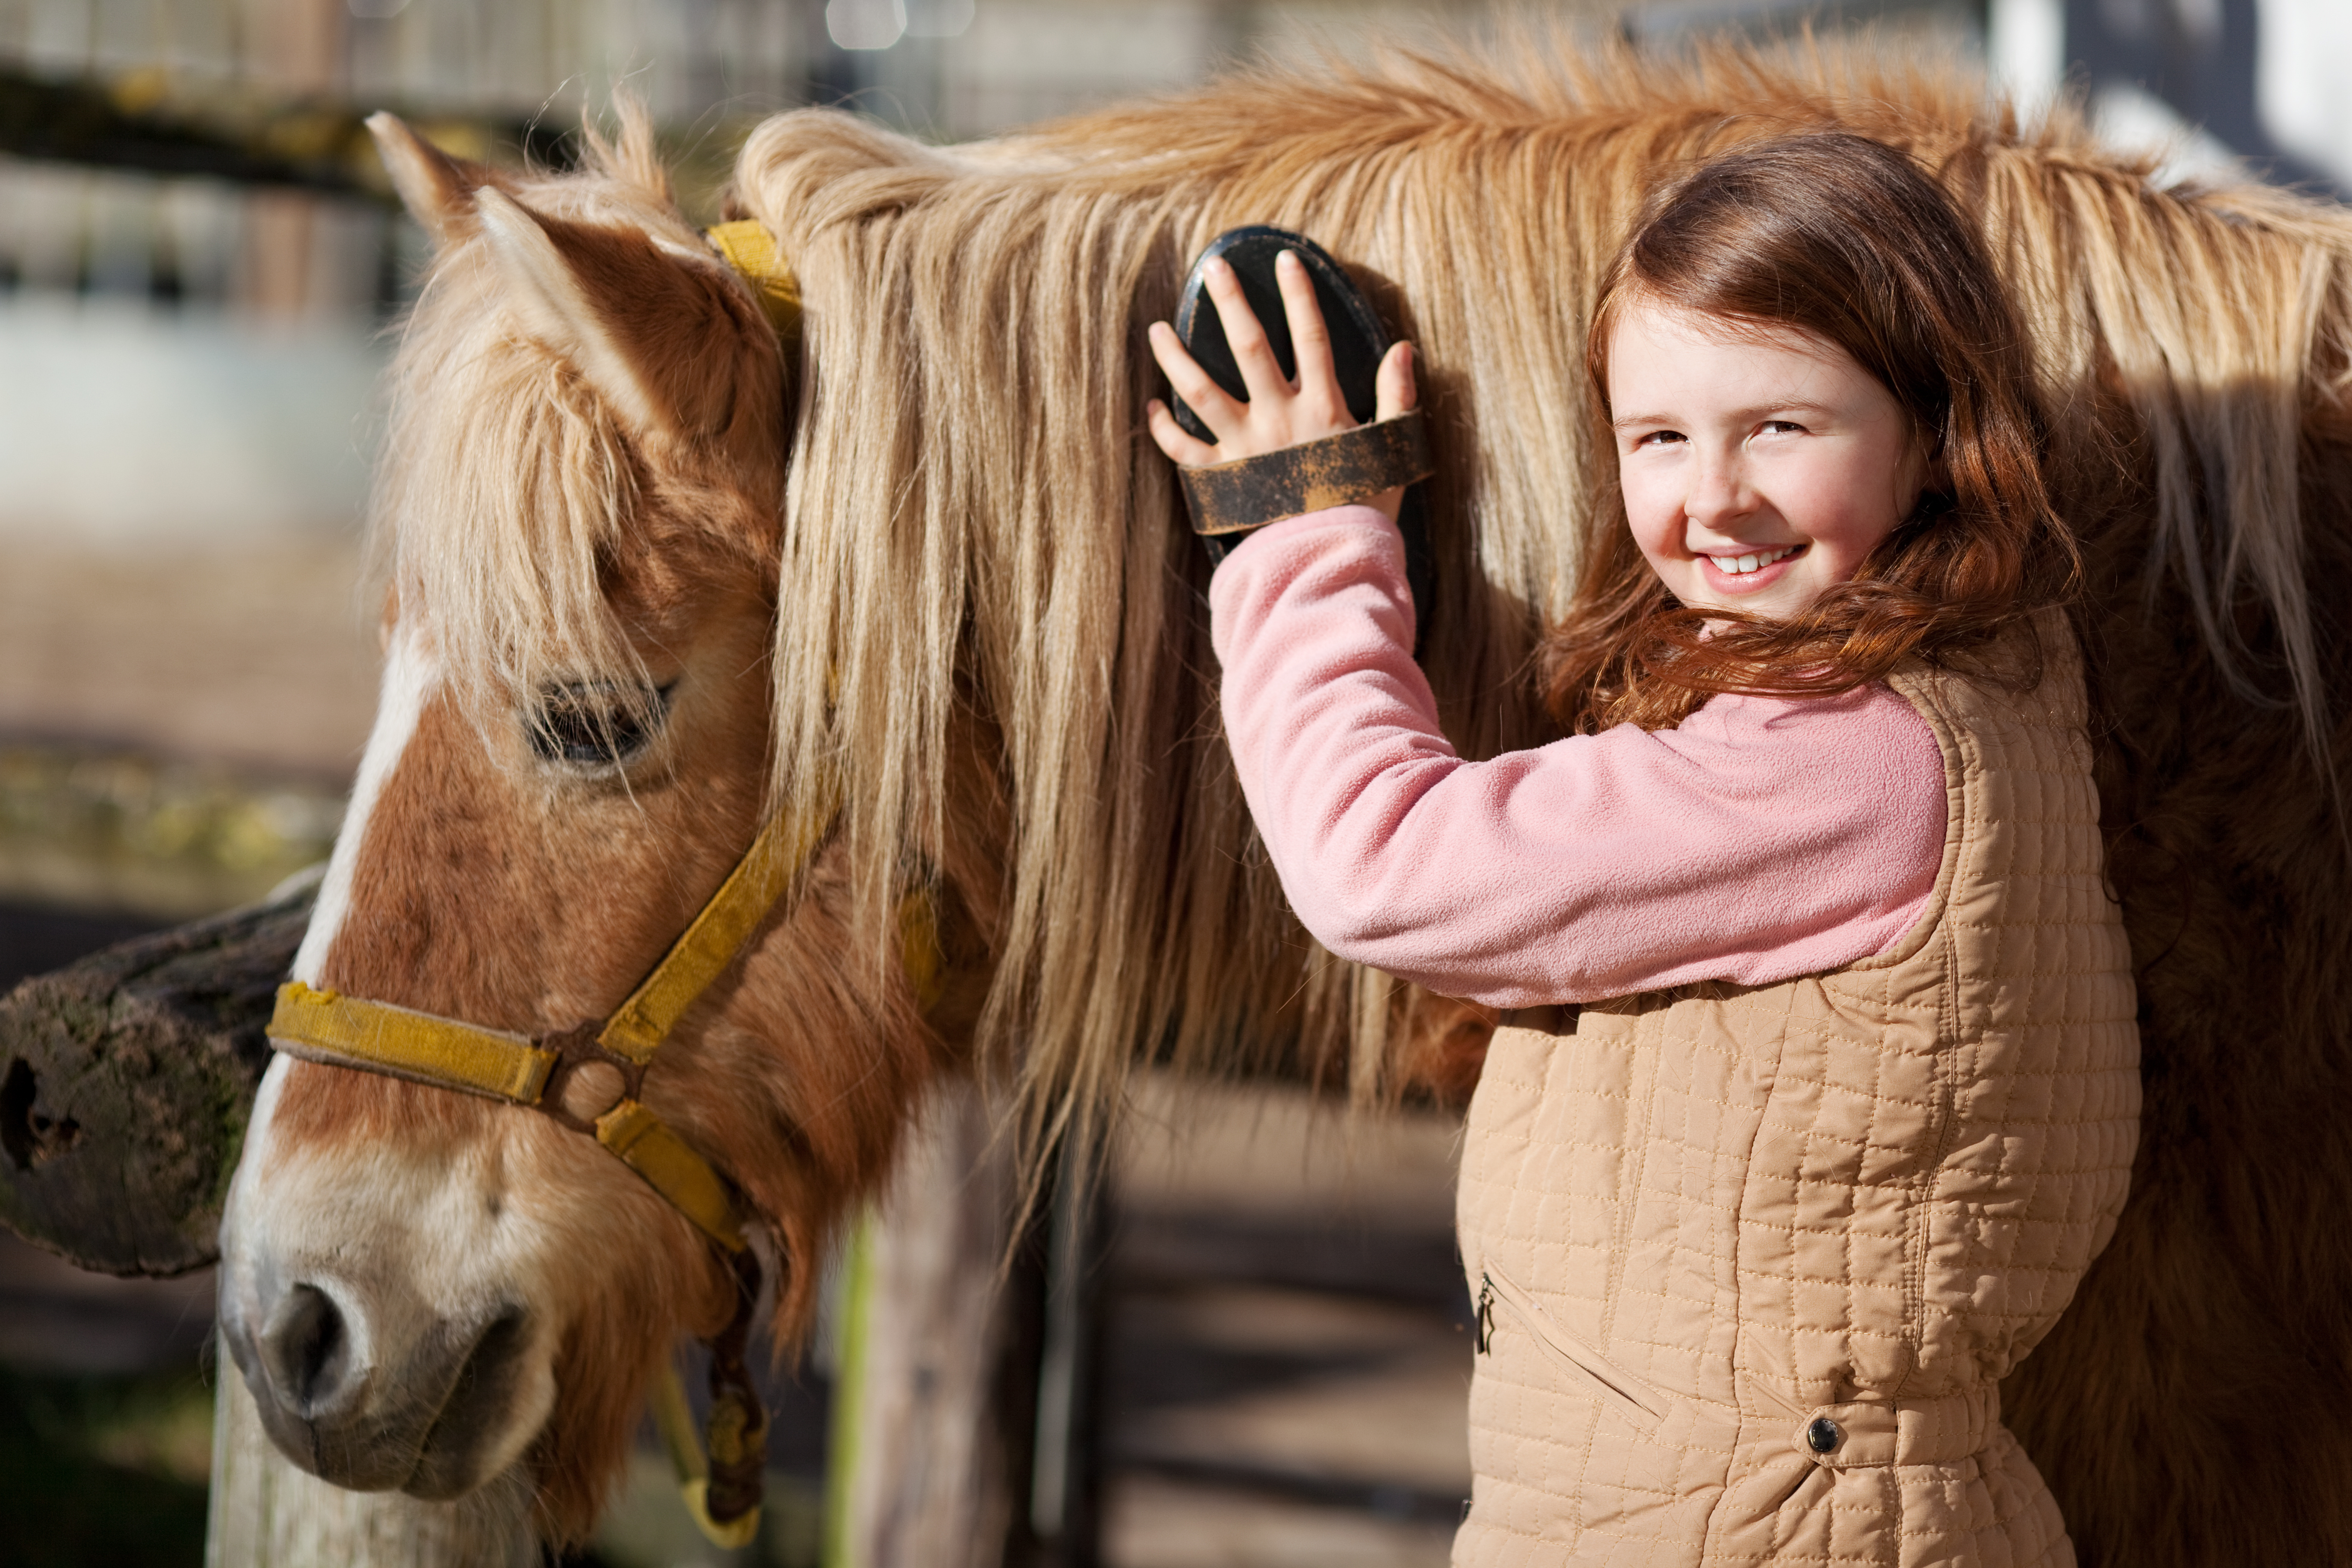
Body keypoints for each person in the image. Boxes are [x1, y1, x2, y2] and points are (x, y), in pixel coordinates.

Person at [1146, 132, 2140, 1567]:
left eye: (1782, 429)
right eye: (1657, 438)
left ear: (1931, 433)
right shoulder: (1993, 670)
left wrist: (1309, 528)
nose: (1714, 497)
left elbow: (1377, 860)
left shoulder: (1840, 763)